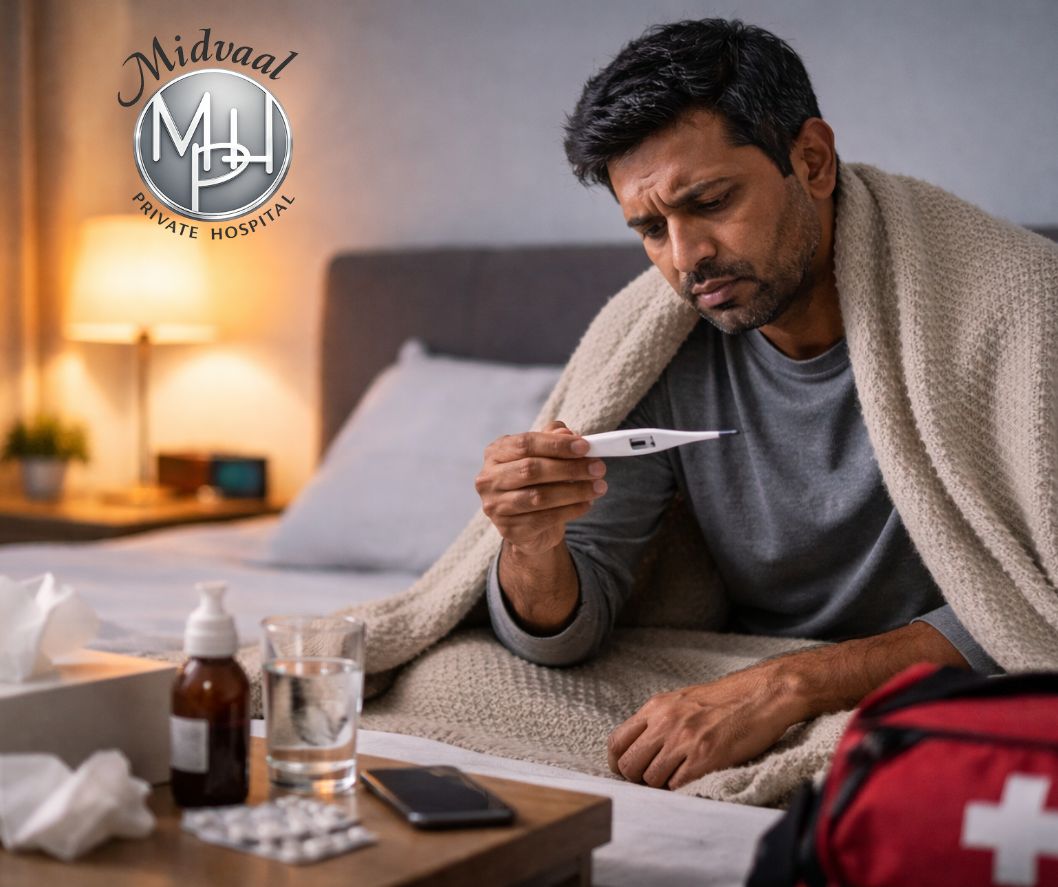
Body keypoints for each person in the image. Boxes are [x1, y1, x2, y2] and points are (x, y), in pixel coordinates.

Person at [473, 18, 1002, 792]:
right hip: (727, 666)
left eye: (711, 200)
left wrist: (792, 684)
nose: (685, 259)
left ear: (813, 161)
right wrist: (530, 542)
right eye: (650, 229)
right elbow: (563, 636)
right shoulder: (655, 345)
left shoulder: (1008, 315)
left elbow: (1032, 604)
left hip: (948, 677)